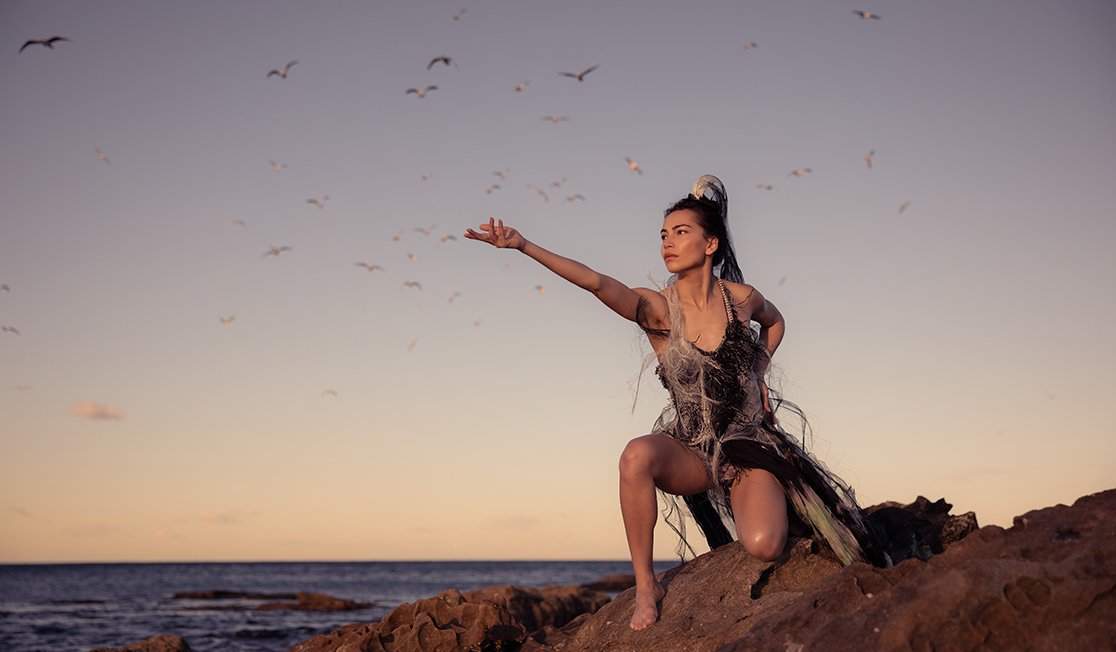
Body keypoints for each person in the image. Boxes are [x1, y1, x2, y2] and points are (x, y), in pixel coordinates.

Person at [465, 175, 882, 631]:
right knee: (635, 455)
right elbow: (597, 283)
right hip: (692, 451)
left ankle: (774, 499)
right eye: (663, 234)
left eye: (680, 232)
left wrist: (759, 369)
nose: (667, 242)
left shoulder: (741, 299)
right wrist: (524, 245)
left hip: (746, 447)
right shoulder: (658, 309)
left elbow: (776, 322)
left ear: (710, 244)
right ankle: (647, 585)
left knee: (763, 544)